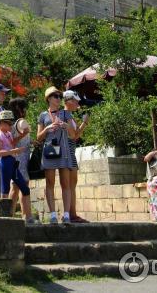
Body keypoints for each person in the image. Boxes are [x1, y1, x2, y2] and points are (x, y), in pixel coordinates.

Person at [36, 87, 87, 224]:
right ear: (49, 99)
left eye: (59, 96)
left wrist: (65, 125)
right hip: (50, 150)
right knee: (50, 183)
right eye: (55, 96)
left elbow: (73, 135)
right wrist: (47, 128)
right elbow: (38, 138)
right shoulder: (43, 116)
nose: (59, 98)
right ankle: (52, 215)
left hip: (64, 151)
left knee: (66, 183)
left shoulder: (66, 114)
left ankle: (66, 215)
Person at [0, 110, 34, 223]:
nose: (10, 125)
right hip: (5, 161)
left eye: (11, 123)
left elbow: (12, 142)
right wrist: (13, 151)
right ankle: (4, 217)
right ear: (1, 123)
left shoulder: (8, 133)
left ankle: (23, 215)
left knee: (24, 188)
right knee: (5, 189)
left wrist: (23, 135)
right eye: (8, 123)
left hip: (12, 161)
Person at [62, 90, 90, 223]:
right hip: (67, 152)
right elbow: (73, 136)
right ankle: (70, 215)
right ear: (68, 101)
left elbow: (75, 136)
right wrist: (83, 124)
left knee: (72, 184)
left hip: (70, 151)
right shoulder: (64, 115)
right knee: (69, 185)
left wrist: (84, 123)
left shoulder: (70, 116)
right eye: (75, 100)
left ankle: (72, 214)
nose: (78, 103)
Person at [7, 97, 34, 220]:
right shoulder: (22, 122)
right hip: (21, 160)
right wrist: (24, 134)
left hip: (18, 159)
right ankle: (25, 216)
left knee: (17, 188)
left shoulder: (12, 124)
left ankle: (12, 214)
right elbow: (13, 142)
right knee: (19, 188)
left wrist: (31, 141)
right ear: (20, 109)